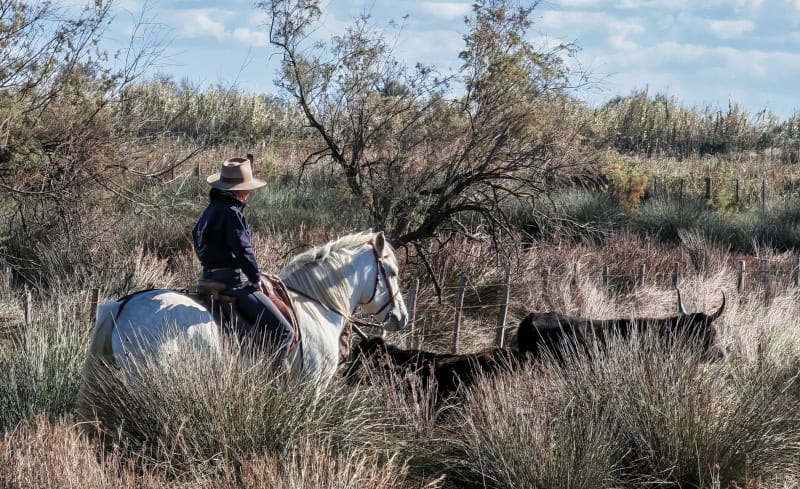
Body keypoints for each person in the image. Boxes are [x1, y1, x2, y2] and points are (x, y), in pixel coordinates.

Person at [192, 156, 294, 365]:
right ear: (239, 191)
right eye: (247, 189)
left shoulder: (209, 211)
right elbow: (243, 250)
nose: (248, 193)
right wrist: (255, 278)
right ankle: (275, 384)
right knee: (285, 331)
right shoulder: (231, 212)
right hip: (232, 284)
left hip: (207, 279)